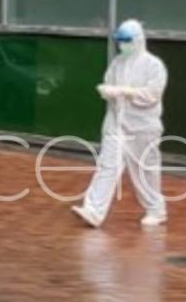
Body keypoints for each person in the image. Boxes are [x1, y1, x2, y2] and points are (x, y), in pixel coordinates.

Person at [72, 20, 168, 229]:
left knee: (144, 169)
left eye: (126, 41)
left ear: (138, 40)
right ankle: (94, 210)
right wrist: (107, 90)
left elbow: (152, 94)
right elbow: (110, 81)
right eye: (120, 41)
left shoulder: (153, 65)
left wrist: (124, 91)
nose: (122, 45)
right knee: (107, 165)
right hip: (117, 123)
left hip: (143, 127)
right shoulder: (118, 63)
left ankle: (156, 210)